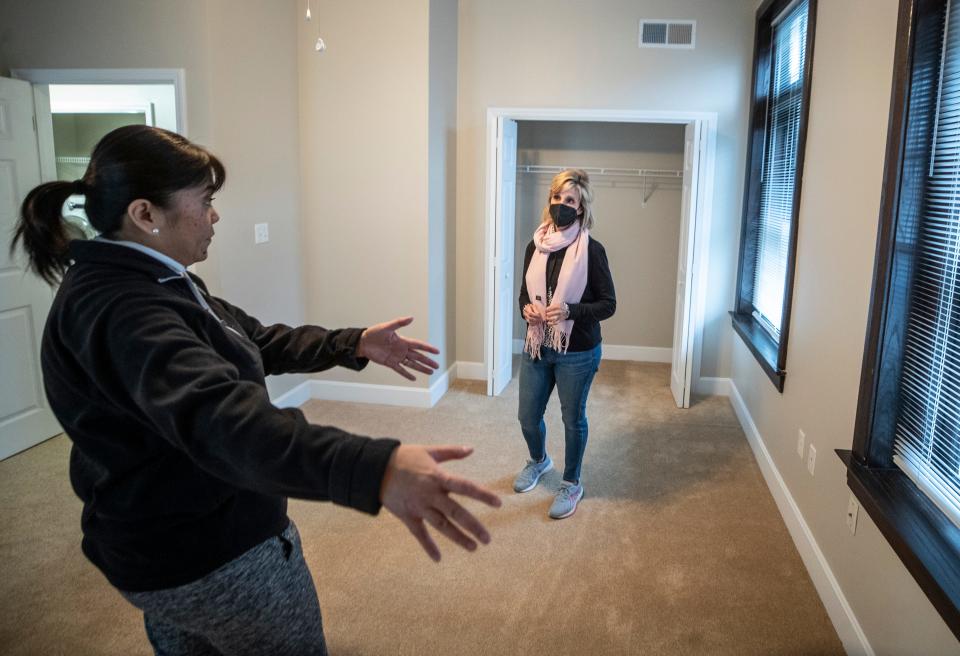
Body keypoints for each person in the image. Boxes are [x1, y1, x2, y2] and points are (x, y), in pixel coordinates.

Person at [11, 125, 501, 656]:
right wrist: (374, 468)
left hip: (166, 547)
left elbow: (254, 340)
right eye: (205, 201)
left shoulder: (162, 280)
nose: (215, 215)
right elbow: (227, 422)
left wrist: (351, 344)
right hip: (209, 555)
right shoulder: (125, 311)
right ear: (146, 215)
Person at [513, 169, 616, 519]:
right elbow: (525, 293)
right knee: (527, 416)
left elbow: (608, 304)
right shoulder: (535, 245)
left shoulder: (592, 251)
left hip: (579, 352)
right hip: (539, 345)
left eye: (569, 200)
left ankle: (572, 483)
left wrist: (571, 310)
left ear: (581, 208)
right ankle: (539, 461)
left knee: (573, 419)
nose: (562, 205)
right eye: (557, 198)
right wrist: (526, 309)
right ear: (550, 201)